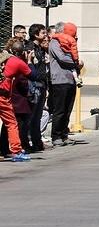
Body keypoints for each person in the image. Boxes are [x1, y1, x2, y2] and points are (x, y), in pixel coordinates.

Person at [48, 22, 82, 147]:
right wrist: (76, 62)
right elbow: (62, 58)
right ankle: (56, 136)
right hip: (60, 80)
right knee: (60, 110)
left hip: (70, 80)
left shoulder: (68, 44)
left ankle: (64, 134)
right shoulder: (55, 43)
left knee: (67, 110)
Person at [24, 24, 49, 152]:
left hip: (42, 85)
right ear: (36, 34)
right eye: (43, 33)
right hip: (34, 86)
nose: (46, 35)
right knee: (31, 116)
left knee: (37, 116)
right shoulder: (30, 48)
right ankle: (26, 143)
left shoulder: (41, 48)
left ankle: (37, 142)